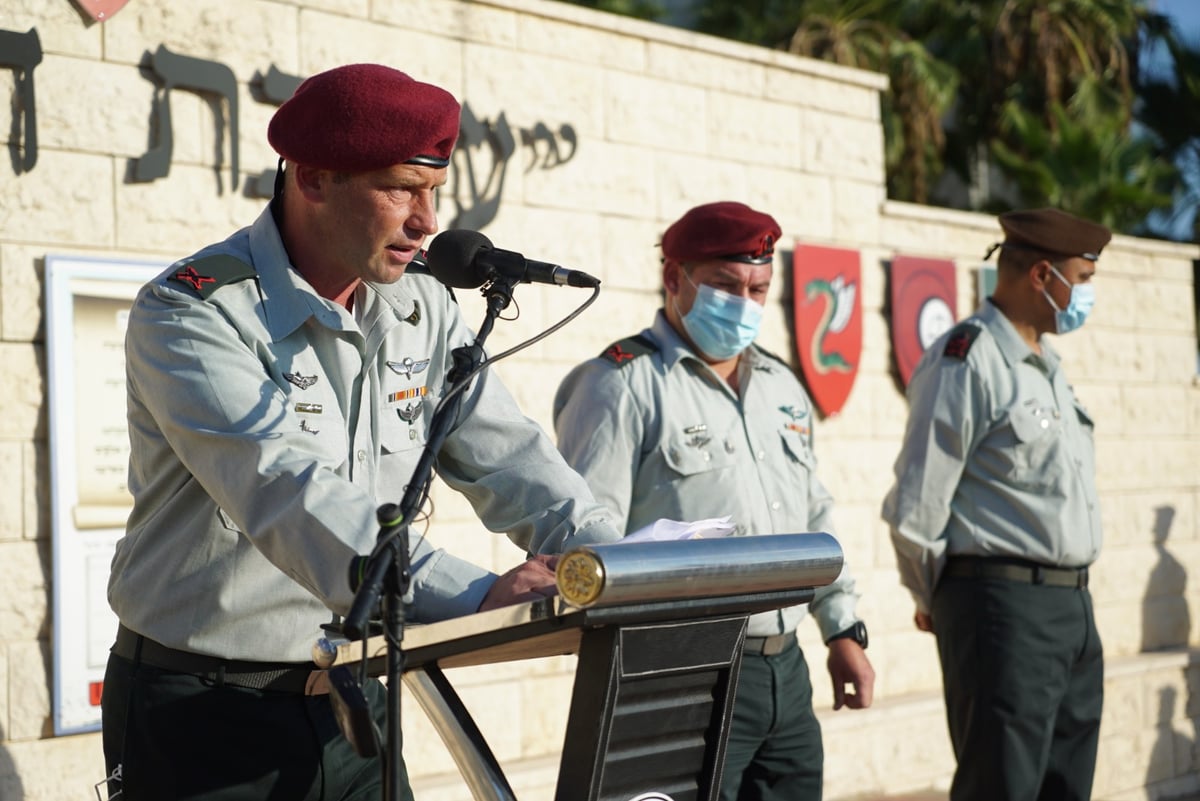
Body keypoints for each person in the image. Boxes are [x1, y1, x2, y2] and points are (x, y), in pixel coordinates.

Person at [100, 63, 621, 801]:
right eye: (402, 188)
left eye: (434, 192)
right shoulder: (195, 313)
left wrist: (616, 559)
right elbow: (288, 487)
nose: (427, 220)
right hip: (203, 710)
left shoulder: (421, 309)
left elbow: (513, 457)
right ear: (312, 179)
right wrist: (476, 595)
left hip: (357, 699)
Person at [553, 201, 875, 801]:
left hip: (786, 668)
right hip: (683, 671)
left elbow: (815, 518)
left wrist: (843, 630)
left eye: (759, 288)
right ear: (674, 278)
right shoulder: (620, 384)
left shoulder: (781, 386)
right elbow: (590, 540)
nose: (745, 303)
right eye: (726, 285)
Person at [881, 207, 1111, 801]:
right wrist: (941, 598)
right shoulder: (968, 358)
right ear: (1042, 276)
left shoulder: (1047, 370)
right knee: (1001, 787)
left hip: (1071, 608)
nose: (1086, 294)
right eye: (1081, 279)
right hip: (1002, 607)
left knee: (1067, 787)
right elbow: (918, 504)